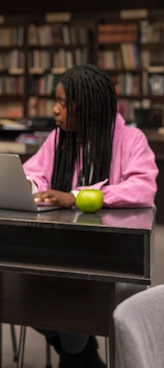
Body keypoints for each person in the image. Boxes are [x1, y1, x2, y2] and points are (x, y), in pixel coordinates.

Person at [22, 64, 158, 368]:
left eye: (63, 104)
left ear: (89, 107)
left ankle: (76, 351)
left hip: (109, 252)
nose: (55, 110)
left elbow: (142, 188)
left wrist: (77, 197)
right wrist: (29, 187)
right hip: (58, 245)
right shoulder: (60, 138)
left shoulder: (131, 140)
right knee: (18, 289)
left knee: (66, 293)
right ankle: (78, 351)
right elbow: (33, 173)